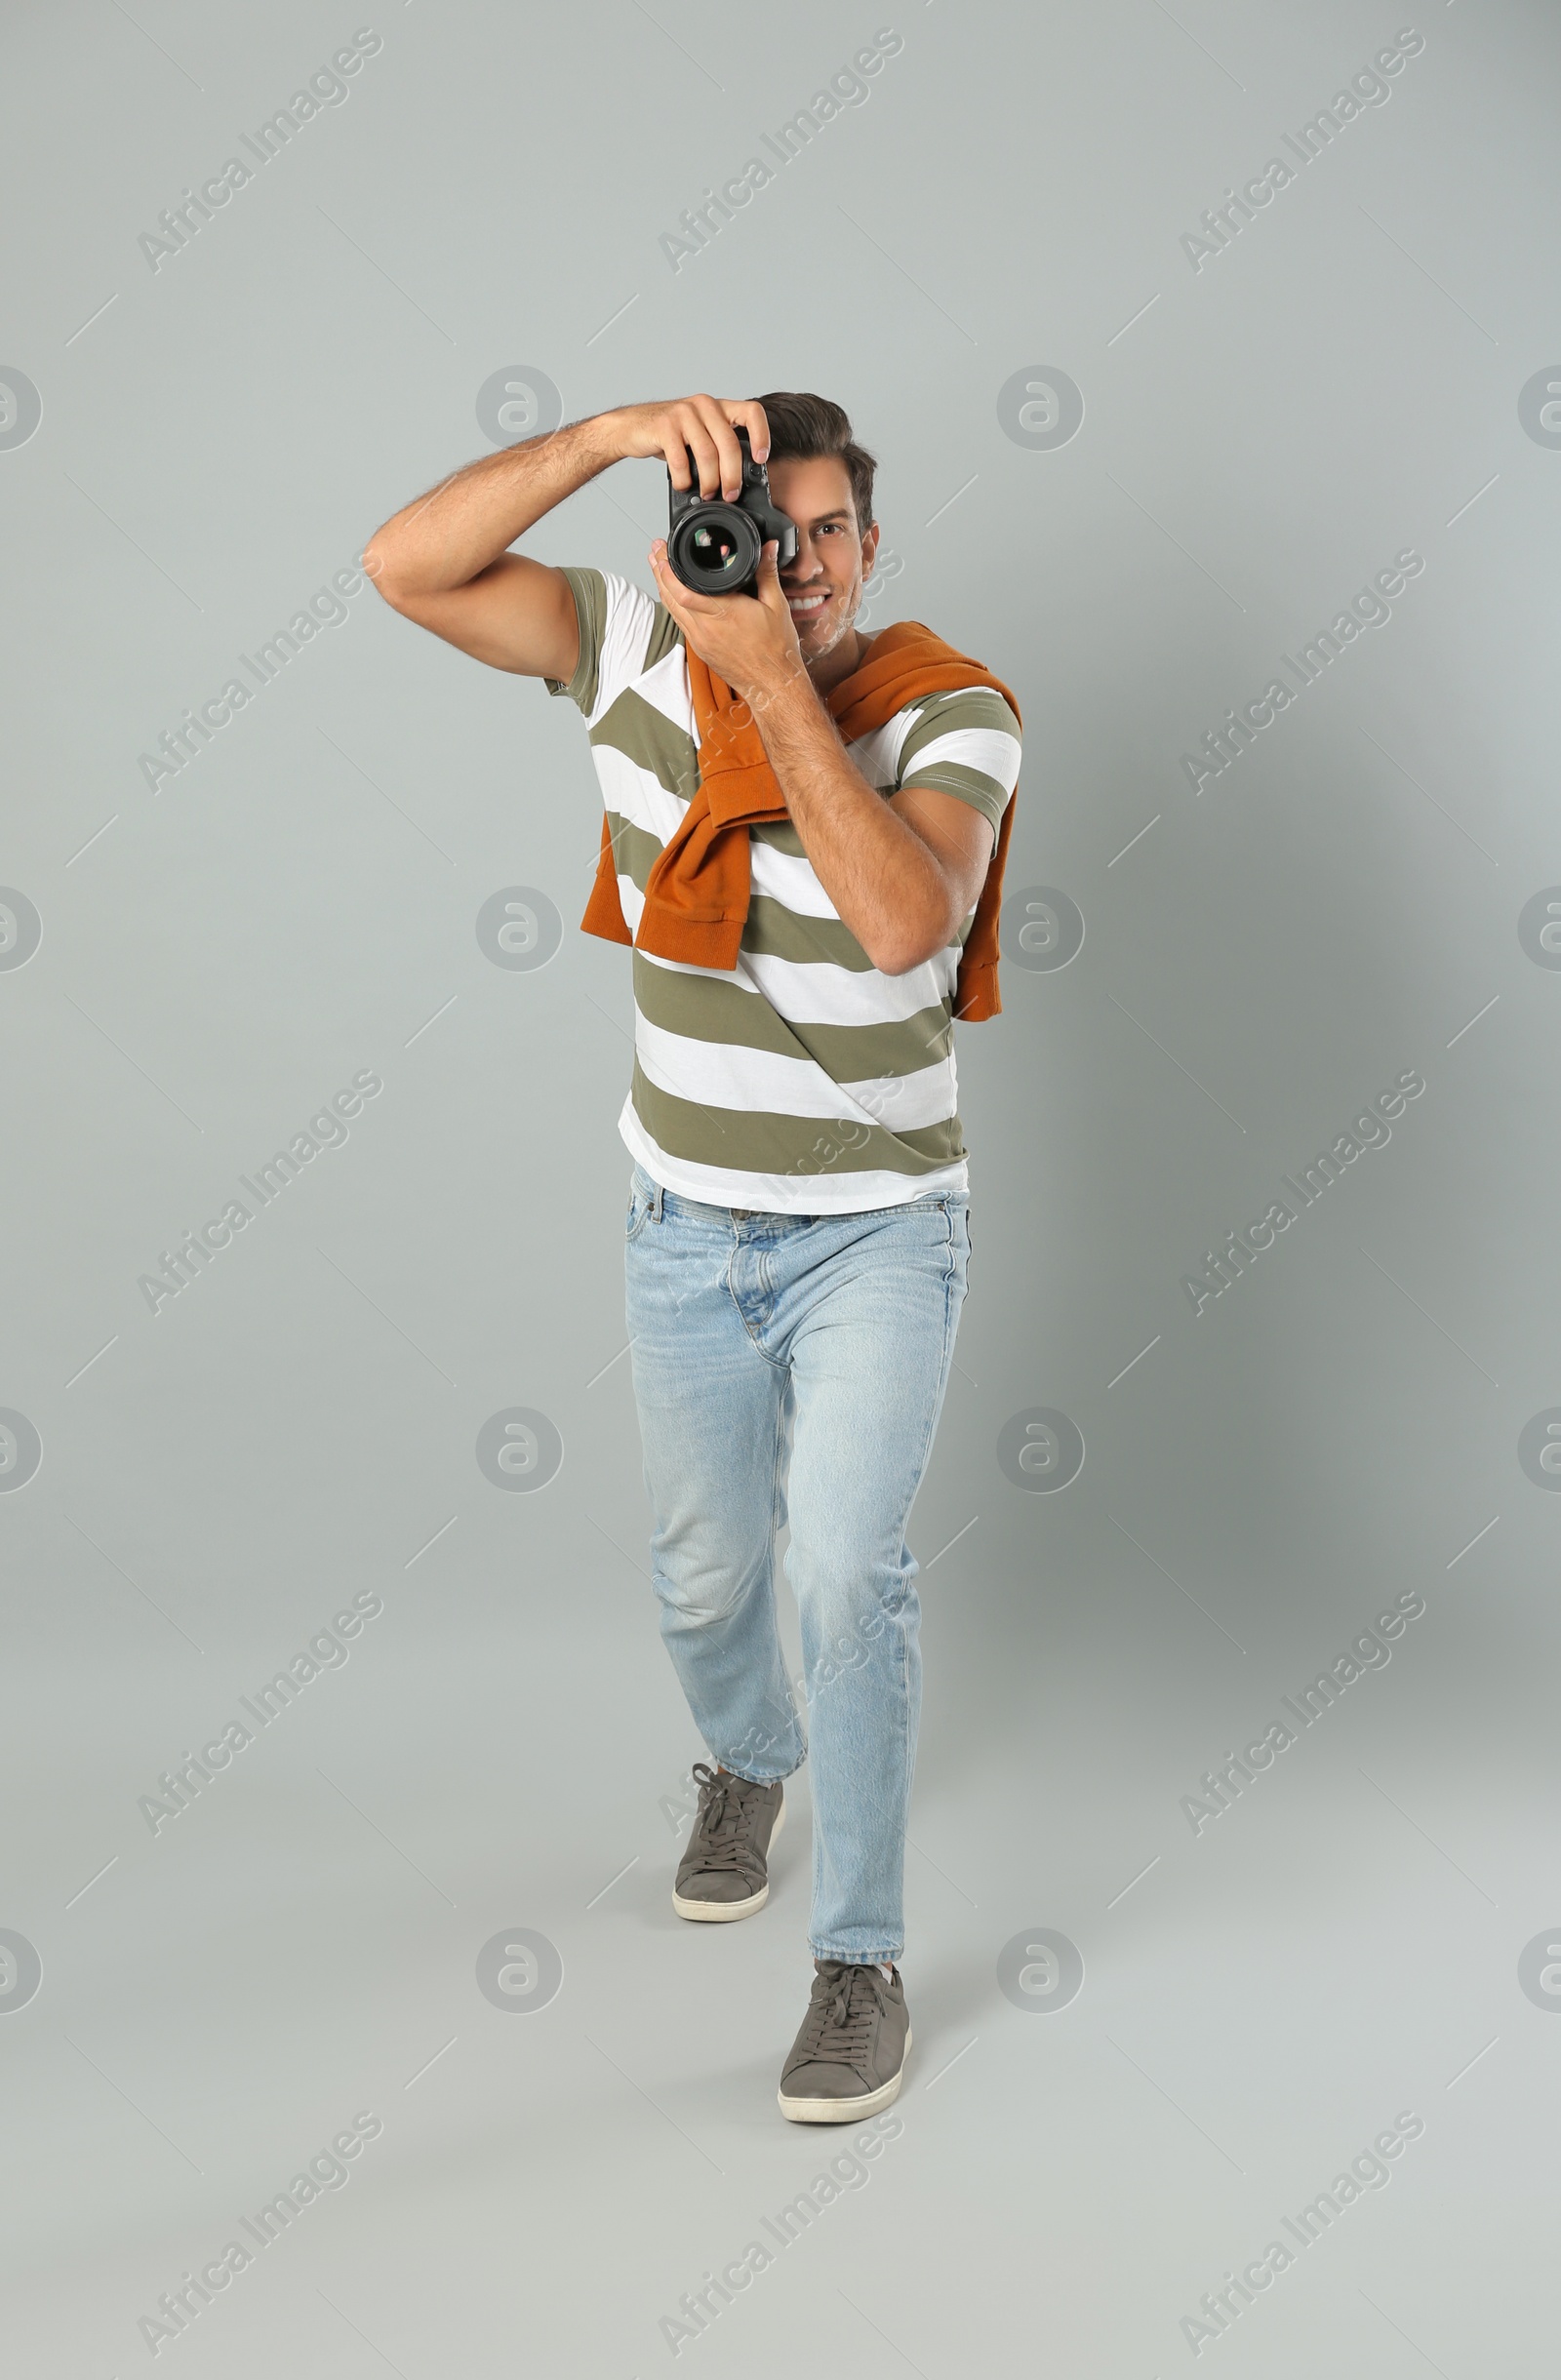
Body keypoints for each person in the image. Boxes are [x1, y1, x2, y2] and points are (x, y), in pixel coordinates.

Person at [365, 391, 1021, 2121]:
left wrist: (777, 686)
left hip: (877, 1230)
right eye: (755, 531)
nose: (789, 567)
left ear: (869, 548)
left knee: (844, 1577)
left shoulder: (946, 711)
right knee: (702, 1577)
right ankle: (748, 1759)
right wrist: (601, 437)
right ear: (693, 541)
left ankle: (859, 1958)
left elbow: (903, 927)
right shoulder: (634, 646)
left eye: (822, 535)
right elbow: (400, 565)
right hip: (682, 1222)